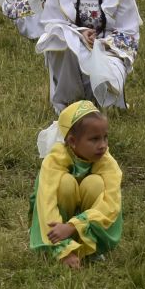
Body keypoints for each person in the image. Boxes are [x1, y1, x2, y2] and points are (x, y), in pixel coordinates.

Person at [31, 100, 122, 267]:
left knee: (95, 184)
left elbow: (111, 205)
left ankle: (91, 246)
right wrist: (62, 249)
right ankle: (61, 248)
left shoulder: (108, 163)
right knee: (64, 184)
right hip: (58, 230)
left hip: (79, 225)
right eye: (94, 139)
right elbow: (47, 205)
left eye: (105, 137)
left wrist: (73, 225)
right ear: (72, 141)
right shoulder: (54, 160)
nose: (103, 145)